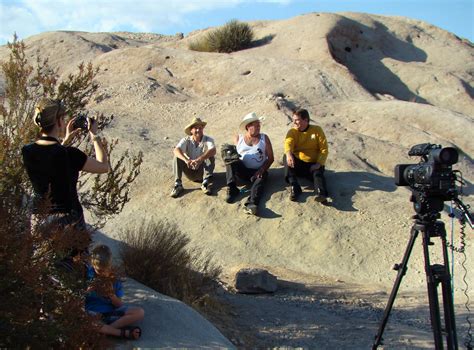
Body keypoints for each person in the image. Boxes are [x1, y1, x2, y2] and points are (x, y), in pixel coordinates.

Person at [22, 98, 110, 233]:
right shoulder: (70, 155)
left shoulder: (27, 151)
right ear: (58, 121)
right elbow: (103, 167)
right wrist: (94, 135)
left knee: (44, 254)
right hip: (68, 220)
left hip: (38, 220)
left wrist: (65, 141)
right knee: (73, 255)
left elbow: (49, 157)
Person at [85, 244, 144, 340]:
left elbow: (120, 305)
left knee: (139, 312)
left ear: (109, 265)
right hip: (92, 313)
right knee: (85, 320)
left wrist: (111, 295)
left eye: (104, 270)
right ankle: (120, 333)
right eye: (98, 270)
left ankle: (106, 330)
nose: (101, 273)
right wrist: (88, 290)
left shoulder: (114, 279)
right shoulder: (87, 274)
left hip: (110, 314)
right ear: (93, 264)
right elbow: (77, 299)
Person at [225, 112, 274, 215]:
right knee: (230, 159)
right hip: (242, 171)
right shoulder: (238, 138)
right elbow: (232, 156)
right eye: (255, 125)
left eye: (259, 125)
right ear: (248, 126)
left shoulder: (264, 138)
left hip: (257, 172)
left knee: (263, 177)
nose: (258, 127)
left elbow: (271, 158)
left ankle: (251, 203)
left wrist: (261, 169)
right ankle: (232, 188)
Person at [284, 108, 329, 203]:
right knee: (286, 157)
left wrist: (319, 163)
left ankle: (321, 194)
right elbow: (288, 143)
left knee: (317, 174)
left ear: (306, 120)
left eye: (297, 120)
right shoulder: (292, 132)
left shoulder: (317, 130)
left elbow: (324, 149)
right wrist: (288, 154)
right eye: (293, 120)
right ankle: (295, 186)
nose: (294, 122)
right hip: (299, 165)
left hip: (313, 165)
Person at [170, 117, 216, 198]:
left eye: (200, 128)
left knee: (210, 155)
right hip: (189, 169)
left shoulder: (208, 139)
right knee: (177, 157)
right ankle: (178, 184)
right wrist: (186, 160)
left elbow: (213, 150)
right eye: (195, 128)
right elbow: (176, 150)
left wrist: (200, 159)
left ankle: (206, 183)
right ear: (191, 130)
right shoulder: (186, 140)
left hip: (202, 171)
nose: (198, 130)